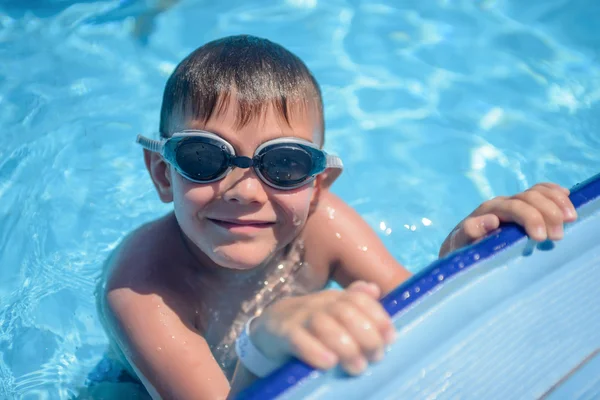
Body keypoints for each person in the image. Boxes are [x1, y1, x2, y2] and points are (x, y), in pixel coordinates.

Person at [92, 35, 578, 400]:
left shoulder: (323, 227)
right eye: (204, 157)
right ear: (162, 173)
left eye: (284, 165)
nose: (245, 192)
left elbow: (413, 317)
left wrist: (463, 263)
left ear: (318, 187)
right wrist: (261, 347)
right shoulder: (141, 289)